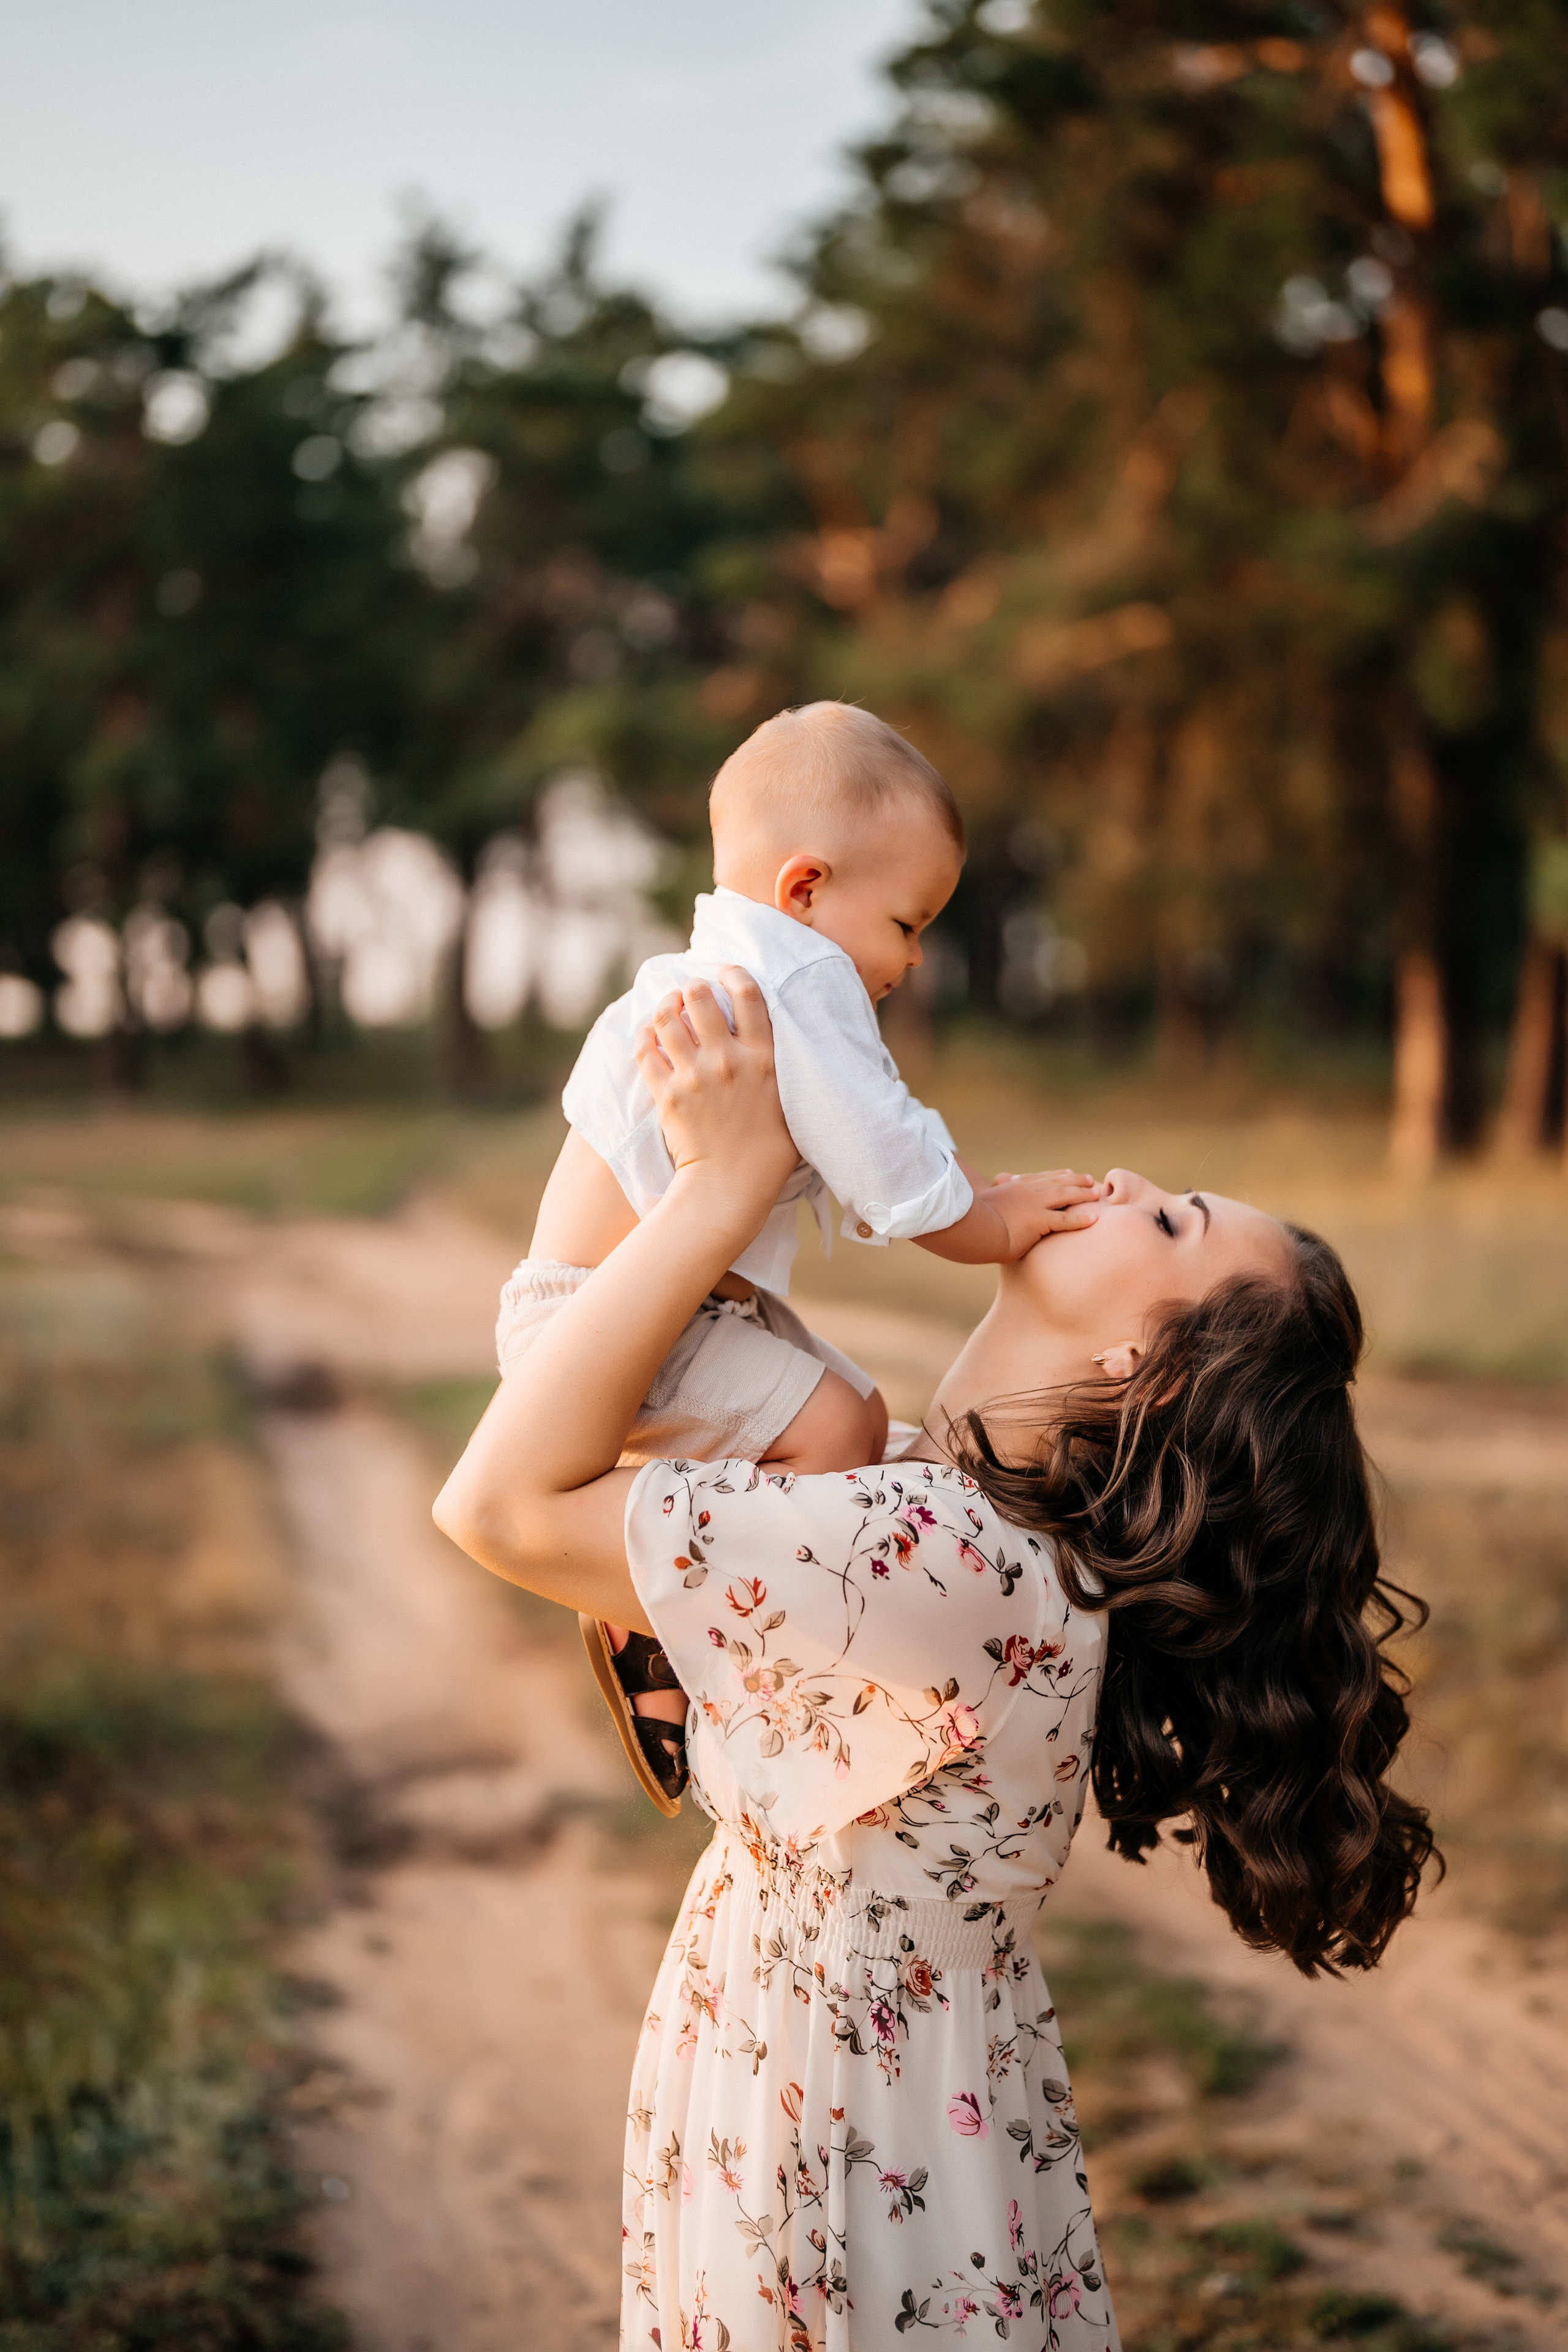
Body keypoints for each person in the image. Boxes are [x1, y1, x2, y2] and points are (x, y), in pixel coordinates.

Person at [434, 974, 1437, 2351]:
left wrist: (716, 1194)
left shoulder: (942, 1555)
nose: (1127, 1179)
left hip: (839, 2132)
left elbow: (495, 1507)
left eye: (1164, 1217)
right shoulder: (947, 1510)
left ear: (1144, 1364)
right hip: (838, 2087)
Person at [497, 703, 1098, 1810]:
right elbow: (888, 1162)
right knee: (835, 1430)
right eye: (909, 924)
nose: (912, 962)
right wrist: (997, 1224)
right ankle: (682, 1625)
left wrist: (979, 1190)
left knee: (860, 1420)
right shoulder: (789, 982)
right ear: (806, 888)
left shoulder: (730, 968)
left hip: (652, 1309)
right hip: (604, 1316)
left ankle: (678, 1603)